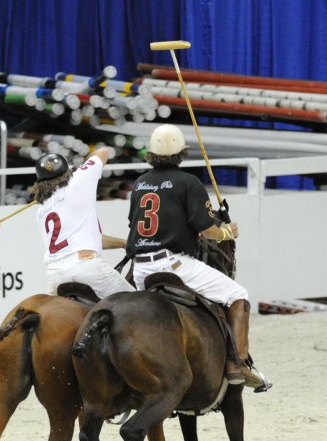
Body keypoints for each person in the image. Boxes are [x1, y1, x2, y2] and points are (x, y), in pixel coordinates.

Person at [126, 124, 266, 389]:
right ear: (182, 153)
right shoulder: (189, 182)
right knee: (238, 295)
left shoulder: (140, 182)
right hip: (174, 264)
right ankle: (239, 363)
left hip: (141, 269)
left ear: (151, 153)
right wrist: (226, 233)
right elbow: (205, 229)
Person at [32, 148, 135, 299]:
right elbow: (104, 152)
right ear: (67, 172)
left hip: (55, 275)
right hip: (86, 266)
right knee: (139, 304)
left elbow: (89, 239)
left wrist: (123, 243)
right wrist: (81, 167)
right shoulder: (79, 179)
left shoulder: (41, 211)